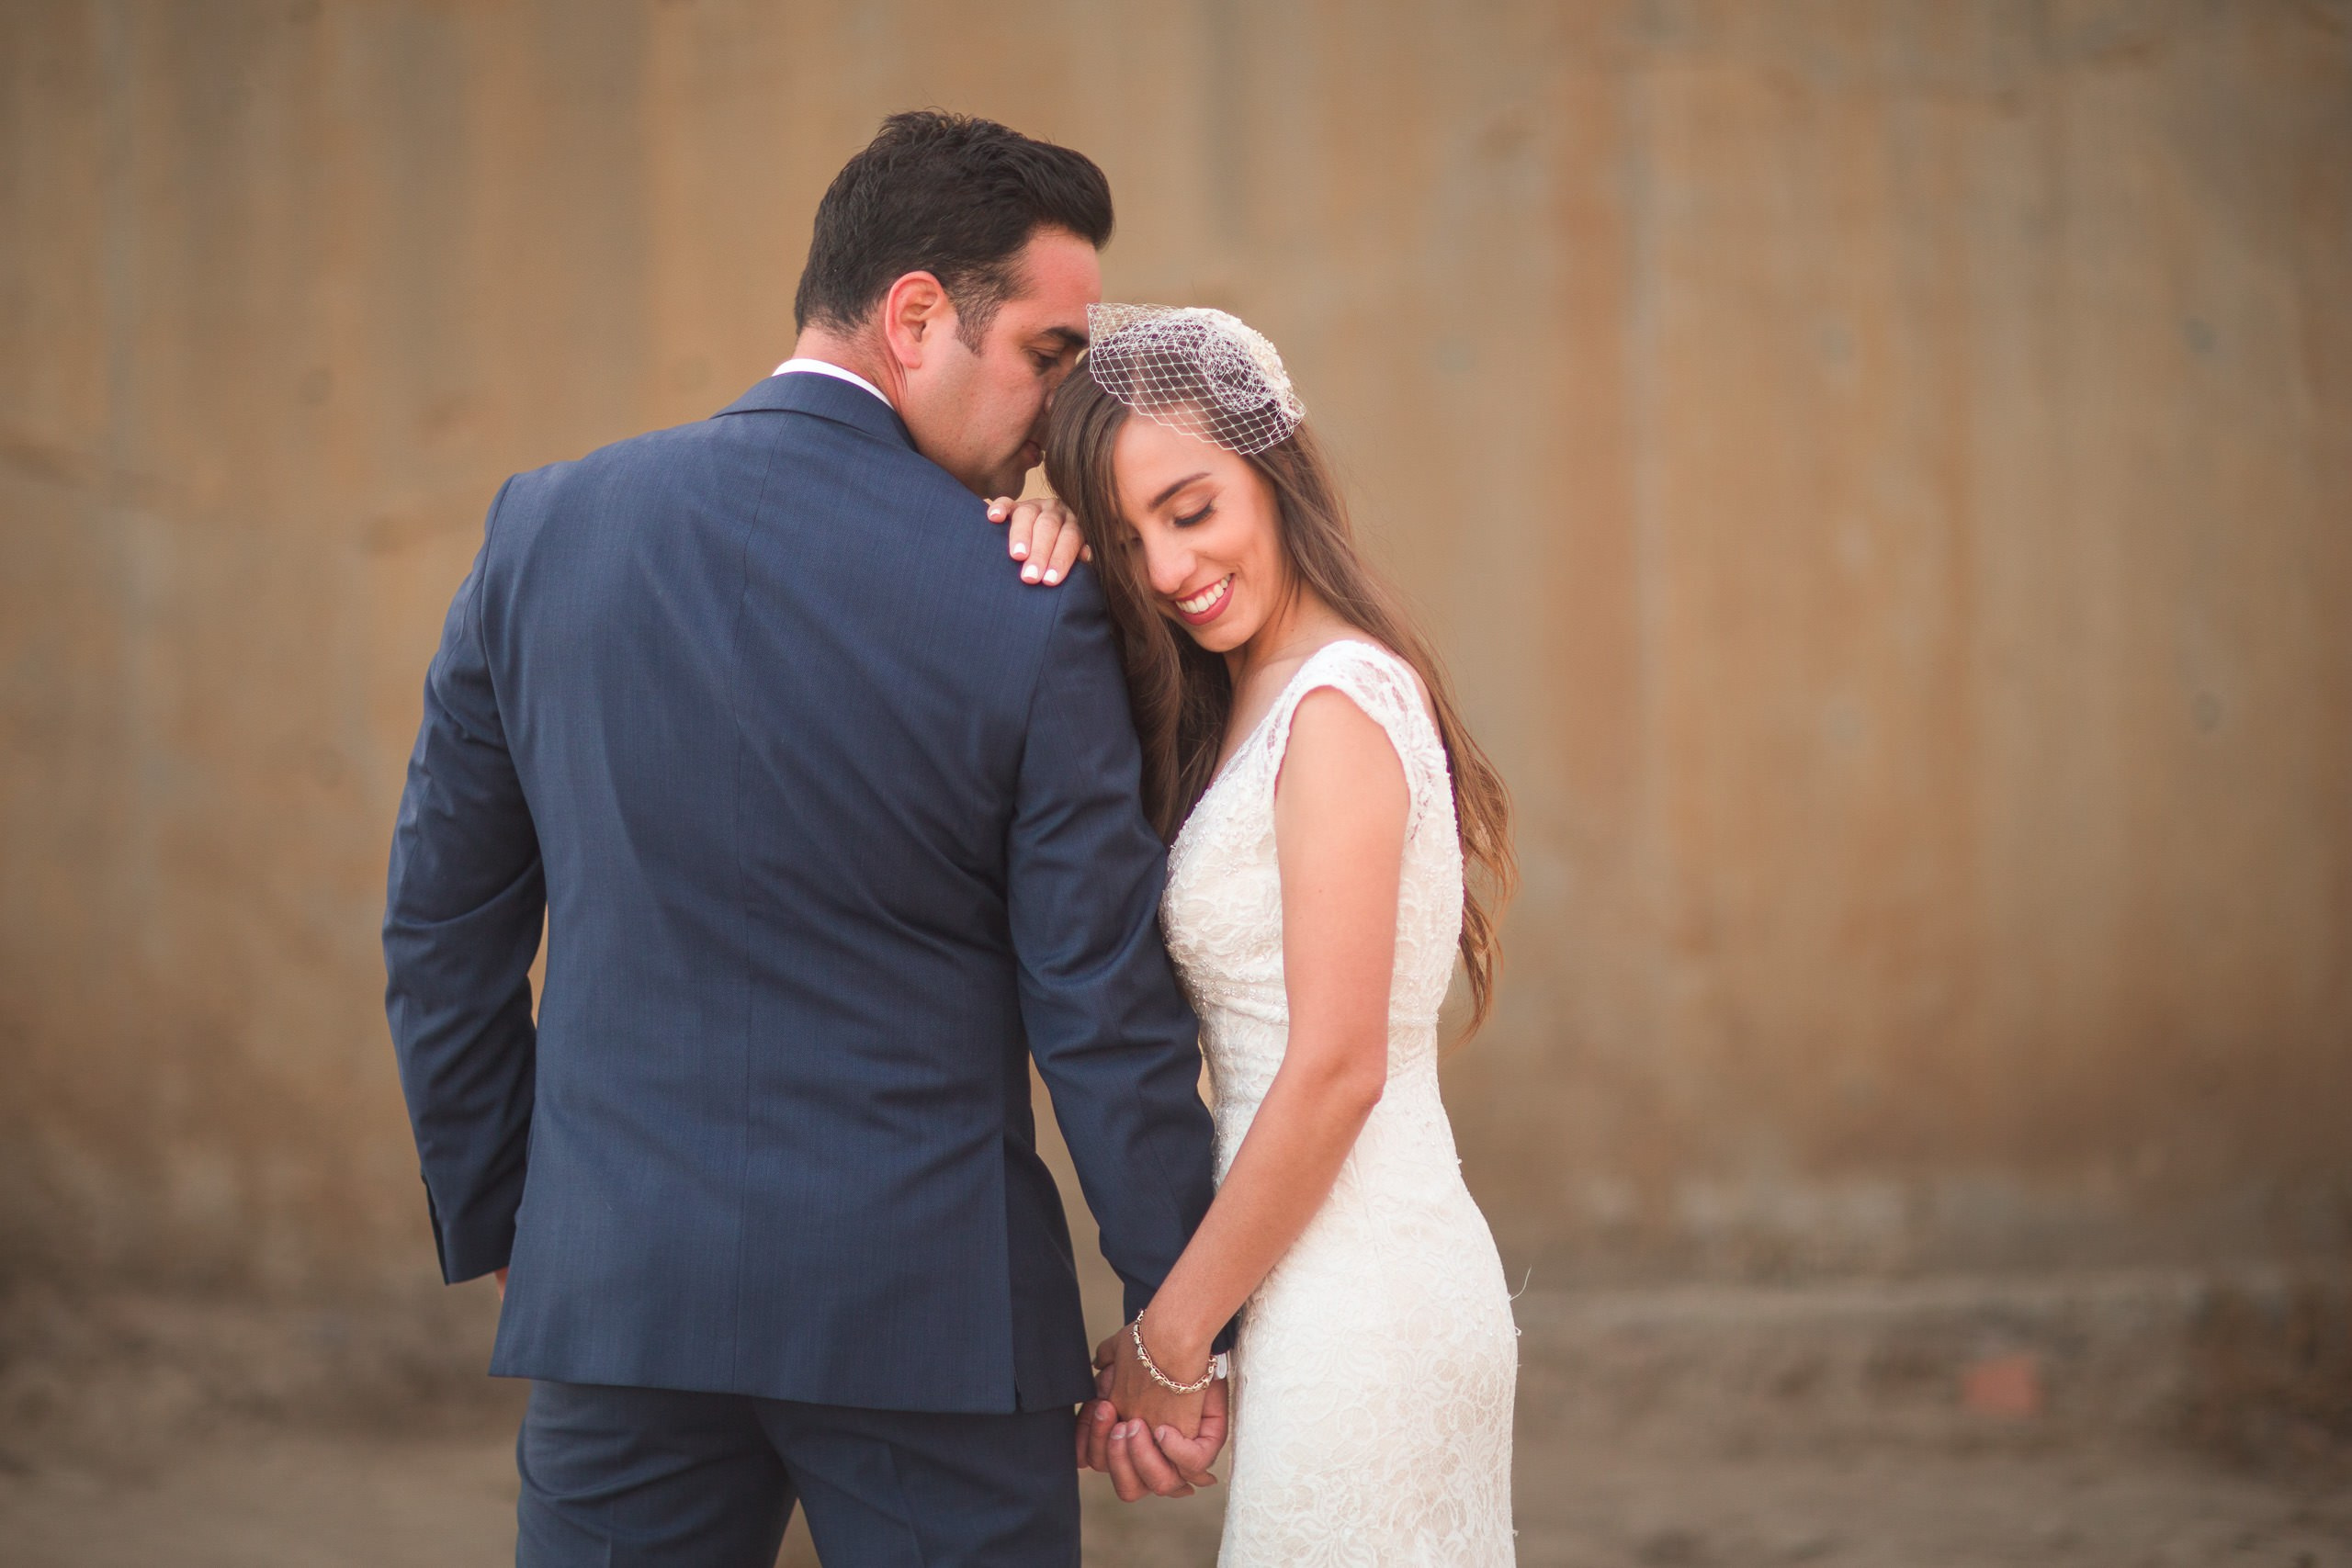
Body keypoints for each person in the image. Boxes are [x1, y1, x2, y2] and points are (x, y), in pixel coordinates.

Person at [381, 112, 1227, 1568]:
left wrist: (520, 1214)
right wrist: (1178, 1317)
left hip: (622, 1292)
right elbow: (1097, 1005)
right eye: (1045, 354)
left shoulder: (544, 533)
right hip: (934, 1326)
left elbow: (442, 930)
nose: (1056, 412)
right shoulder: (1030, 605)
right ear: (916, 316)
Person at [1018, 304, 1523, 1562]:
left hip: (1369, 1299)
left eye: (1193, 511)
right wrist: (1041, 540)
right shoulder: (1246, 701)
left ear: (1275, 469)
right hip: (1305, 1286)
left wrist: (1167, 1344)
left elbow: (1338, 1065)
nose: (1172, 571)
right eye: (1127, 540)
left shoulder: (1339, 705)